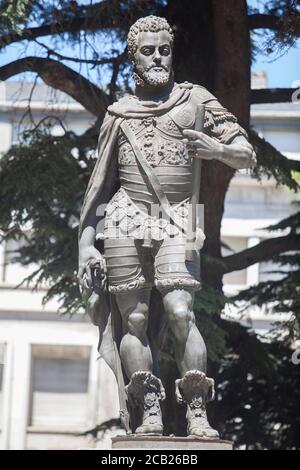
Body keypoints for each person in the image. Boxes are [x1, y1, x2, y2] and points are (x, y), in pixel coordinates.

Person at [78, 15, 256, 438]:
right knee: (135, 318)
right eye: (148, 50)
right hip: (122, 219)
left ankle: (197, 409)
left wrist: (215, 149)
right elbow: (98, 188)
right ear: (133, 57)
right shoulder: (118, 115)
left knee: (180, 310)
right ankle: (150, 409)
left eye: (164, 49)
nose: (158, 57)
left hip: (176, 218)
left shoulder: (196, 100)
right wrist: (87, 245)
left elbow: (245, 152)